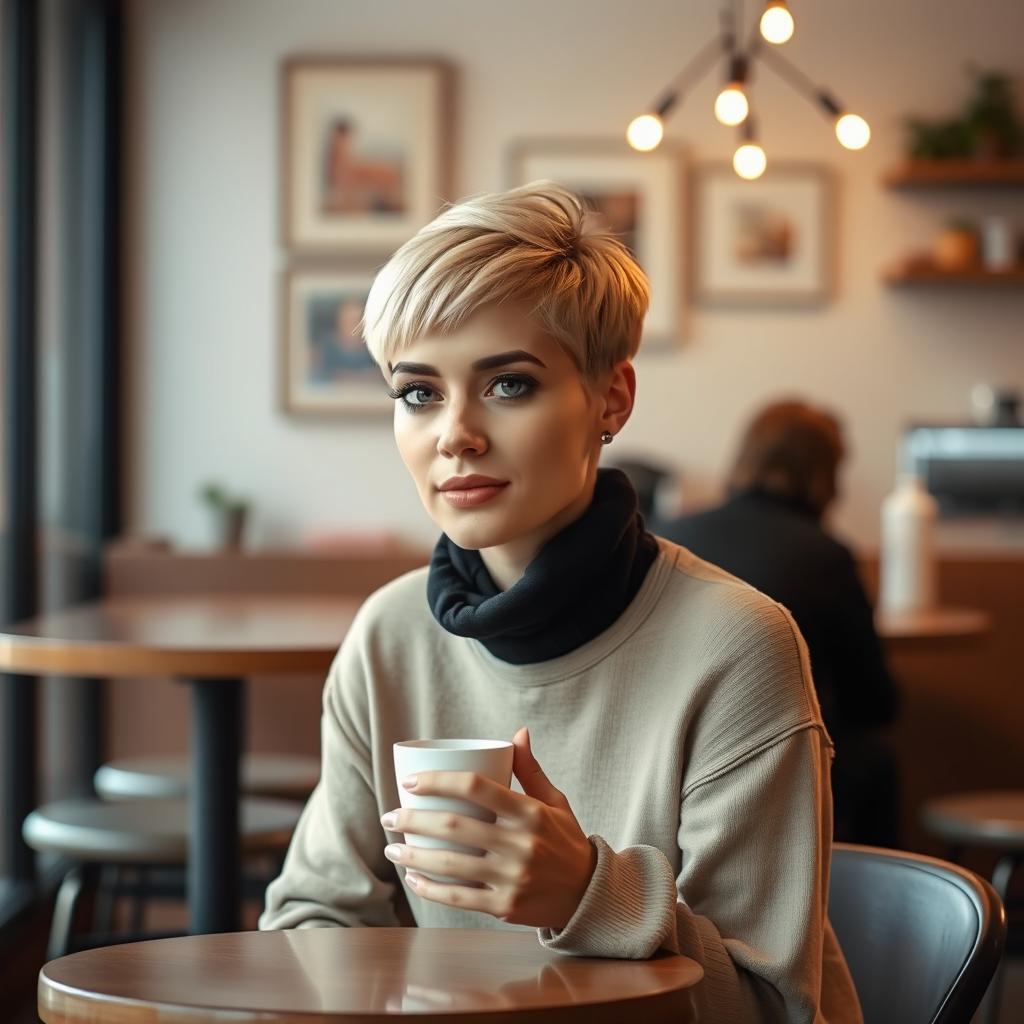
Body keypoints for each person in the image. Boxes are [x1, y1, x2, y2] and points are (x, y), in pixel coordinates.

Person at [259, 183, 862, 1023]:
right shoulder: (389, 636)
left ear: (611, 398)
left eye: (507, 385)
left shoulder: (738, 645)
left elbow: (771, 1008)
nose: (454, 433)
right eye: (418, 392)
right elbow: (312, 923)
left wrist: (586, 891)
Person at [655, 400, 900, 847]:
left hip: (670, 762)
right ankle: (876, 904)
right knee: (876, 764)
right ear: (825, 475)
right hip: (787, 768)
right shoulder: (825, 555)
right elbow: (873, 702)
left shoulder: (667, 537)